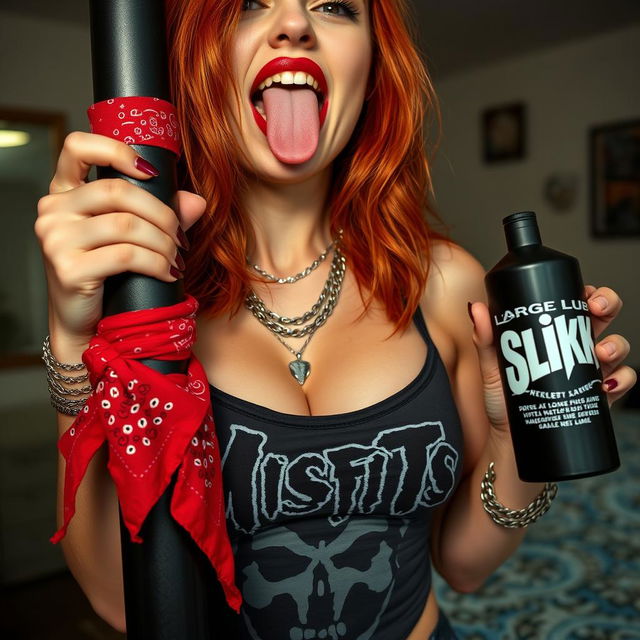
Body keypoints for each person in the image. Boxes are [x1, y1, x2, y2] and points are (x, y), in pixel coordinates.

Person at [34, 1, 636, 638]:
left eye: (333, 6)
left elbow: (463, 567)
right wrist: (74, 339)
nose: (295, 25)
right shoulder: (140, 300)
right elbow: (121, 602)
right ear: (196, 58)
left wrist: (520, 440)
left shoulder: (443, 283)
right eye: (248, 5)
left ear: (373, 63)